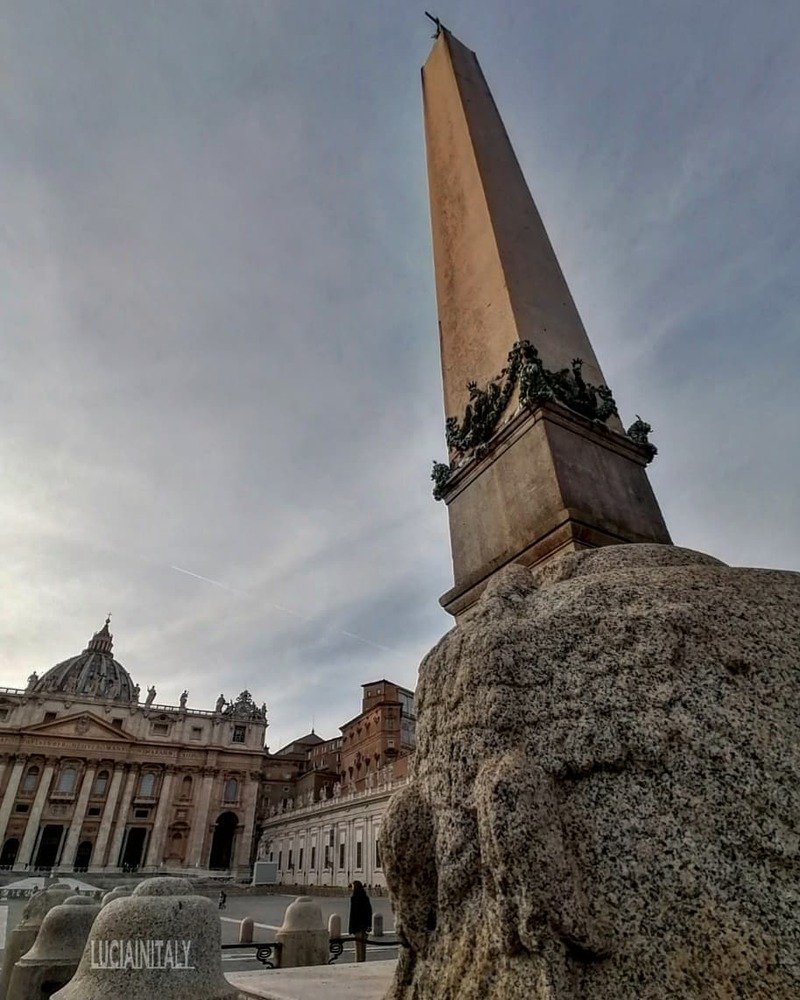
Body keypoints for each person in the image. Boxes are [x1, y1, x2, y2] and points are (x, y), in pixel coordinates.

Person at [348, 880, 372, 963]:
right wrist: (369, 925)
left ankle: (359, 963)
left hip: (357, 927)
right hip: (364, 926)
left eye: (353, 887)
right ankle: (363, 962)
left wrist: (351, 928)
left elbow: (353, 914)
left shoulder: (354, 898)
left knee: (358, 947)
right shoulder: (365, 898)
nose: (352, 888)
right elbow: (369, 912)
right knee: (363, 947)